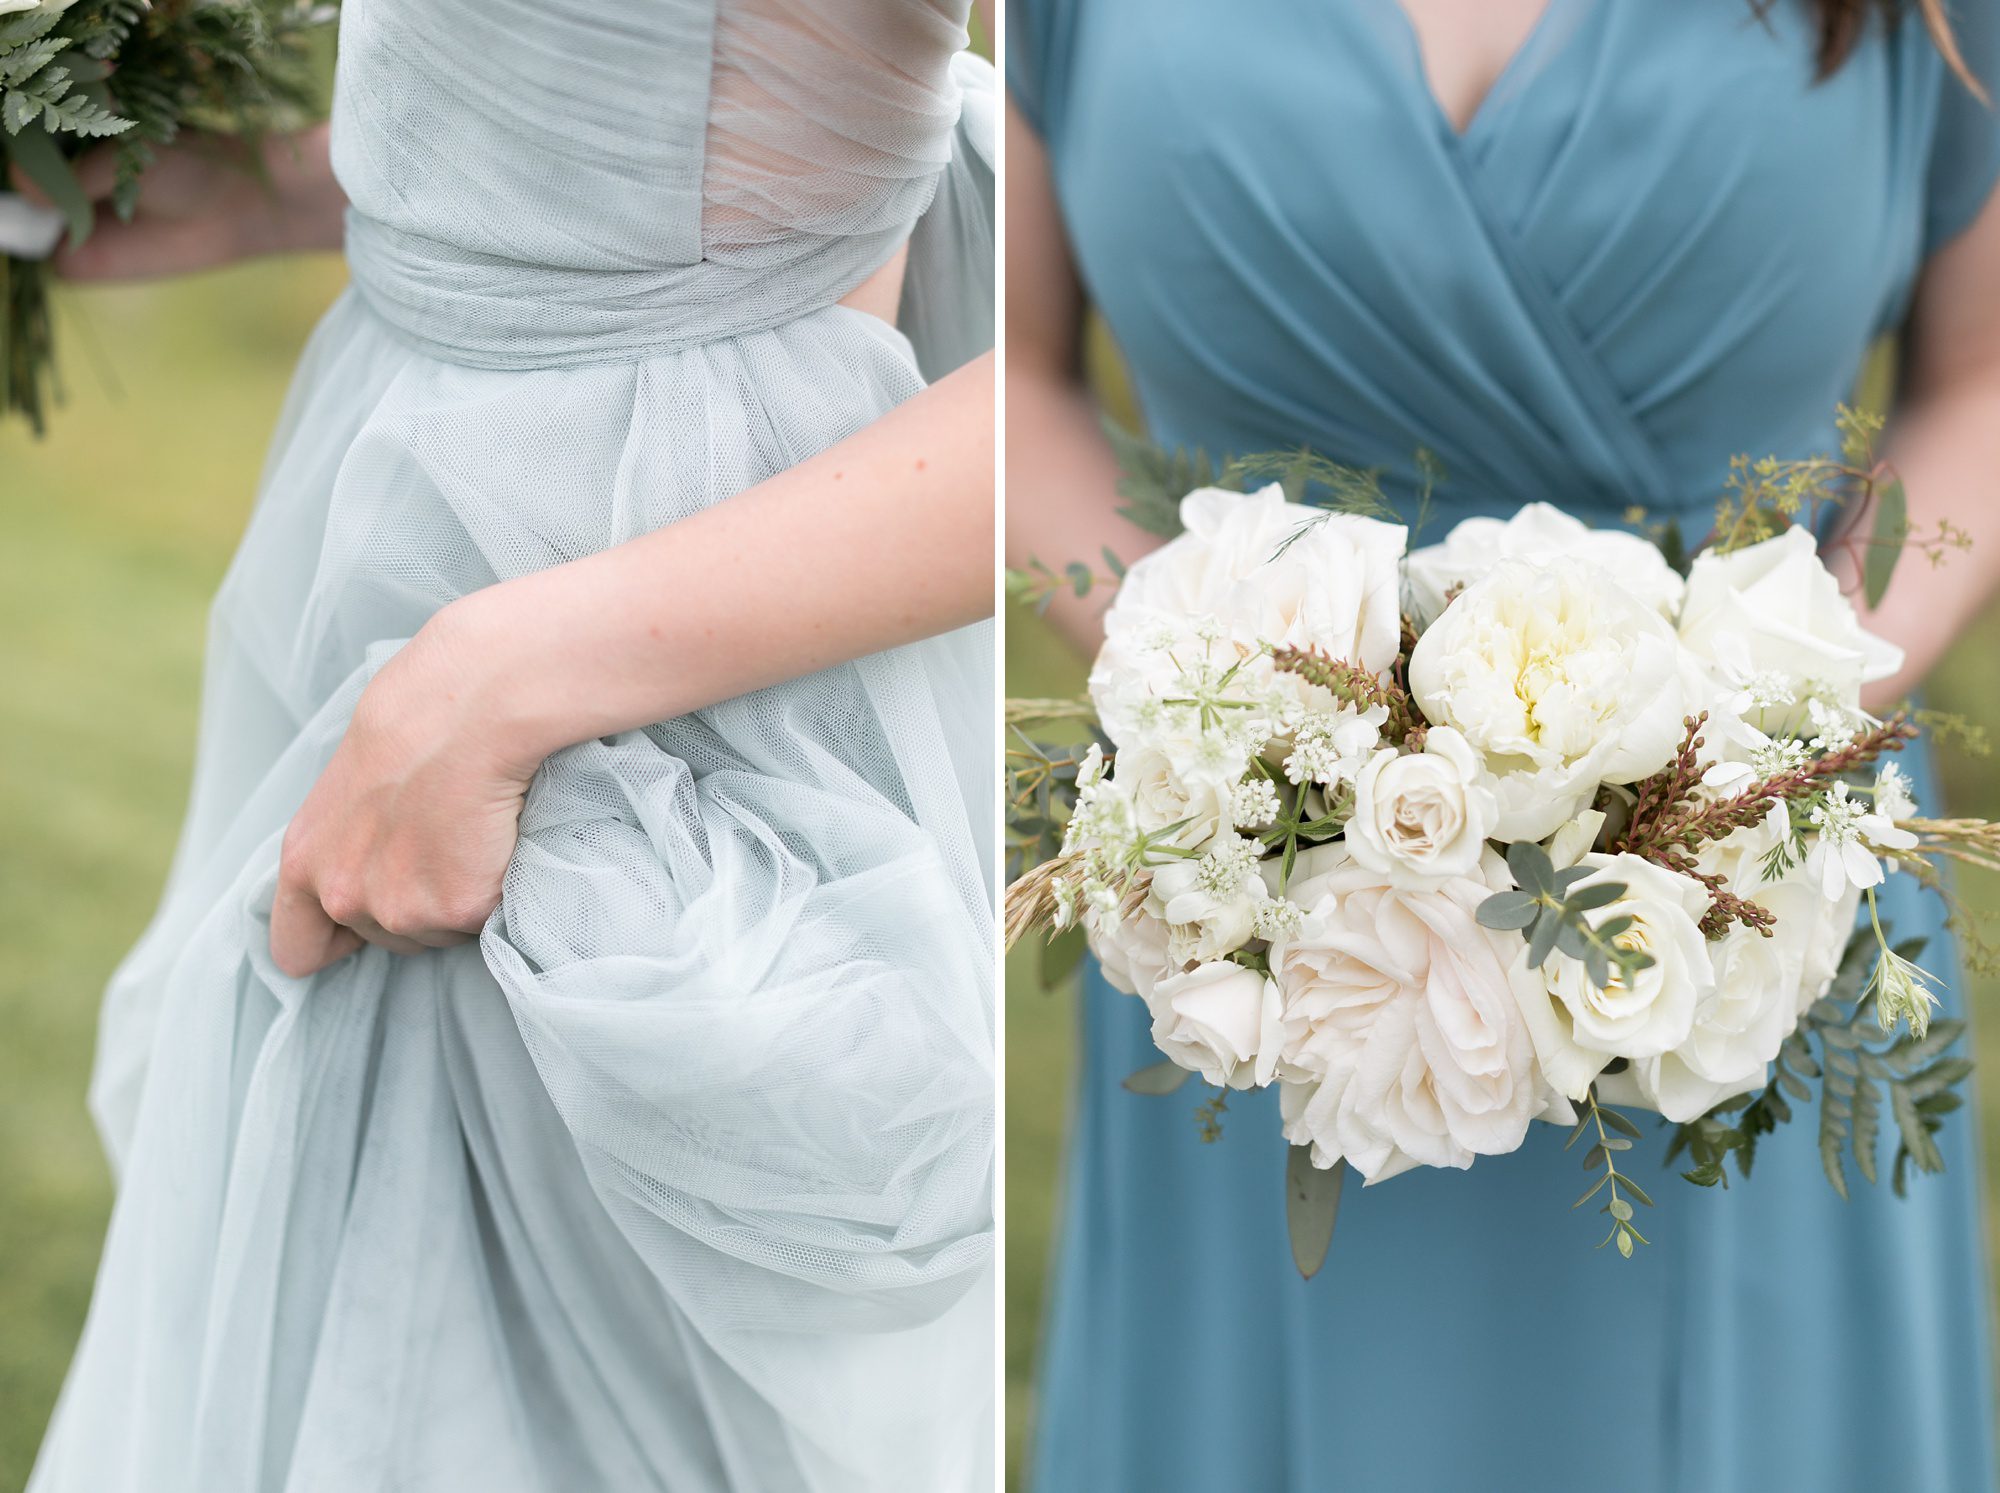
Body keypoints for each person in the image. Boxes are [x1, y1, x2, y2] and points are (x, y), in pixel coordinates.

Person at [1005, 1, 2000, 1487]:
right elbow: (1006, 370)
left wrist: (1778, 711)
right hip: (1268, 926)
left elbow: (1980, 376)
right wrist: (1234, 718)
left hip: (1735, 903)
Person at [26, 3, 997, 1489]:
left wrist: (503, 678)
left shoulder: (510, 675)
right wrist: (281, 177)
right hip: (398, 542)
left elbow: (1168, 361)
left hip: (654, 621)